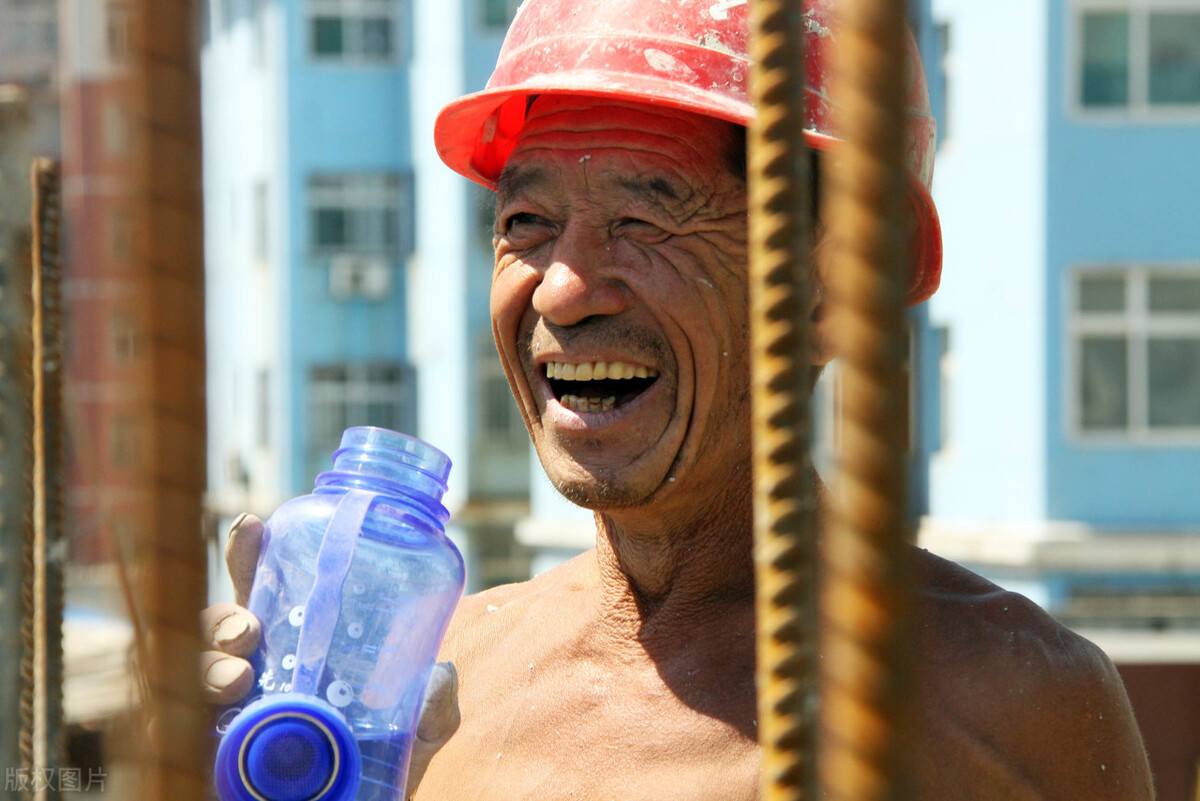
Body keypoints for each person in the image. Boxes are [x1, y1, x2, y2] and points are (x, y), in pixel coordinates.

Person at [202, 0, 1155, 798]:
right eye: (526, 221)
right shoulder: (436, 683)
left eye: (644, 217)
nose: (562, 290)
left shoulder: (1004, 704)